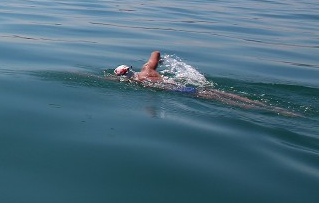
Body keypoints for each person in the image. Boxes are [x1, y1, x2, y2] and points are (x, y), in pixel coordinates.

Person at [113, 50, 296, 114]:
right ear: (131, 68)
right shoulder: (147, 70)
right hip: (182, 86)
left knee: (221, 100)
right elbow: (156, 52)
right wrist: (158, 61)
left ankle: (264, 110)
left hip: (179, 92)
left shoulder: (138, 83)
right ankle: (271, 107)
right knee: (225, 94)